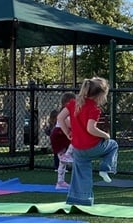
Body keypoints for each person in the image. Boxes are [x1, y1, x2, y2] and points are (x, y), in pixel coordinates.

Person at [57, 77, 118, 206]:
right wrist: (105, 135)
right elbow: (91, 129)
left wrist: (67, 132)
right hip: (93, 146)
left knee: (81, 173)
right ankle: (105, 168)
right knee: (113, 145)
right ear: (99, 95)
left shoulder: (74, 103)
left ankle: (81, 199)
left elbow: (60, 118)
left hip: (78, 148)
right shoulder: (94, 109)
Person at [50, 91, 76, 189]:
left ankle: (60, 182)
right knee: (63, 156)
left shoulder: (69, 112)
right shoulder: (64, 112)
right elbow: (68, 123)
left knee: (62, 162)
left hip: (63, 135)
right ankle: (67, 155)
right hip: (59, 136)